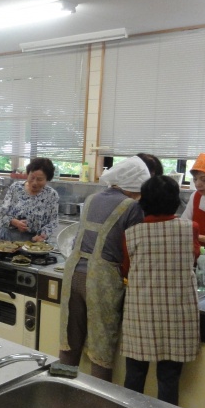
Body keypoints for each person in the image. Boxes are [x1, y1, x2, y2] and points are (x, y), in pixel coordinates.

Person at [58, 156, 149, 381]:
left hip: (73, 274)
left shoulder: (92, 198)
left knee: (69, 341)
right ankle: (97, 399)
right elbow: (133, 248)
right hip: (102, 280)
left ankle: (61, 391)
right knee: (101, 347)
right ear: (134, 185)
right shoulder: (132, 206)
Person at [120, 175, 201, 405]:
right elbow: (194, 258)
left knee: (135, 375)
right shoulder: (190, 229)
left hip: (141, 313)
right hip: (178, 313)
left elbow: (125, 269)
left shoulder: (131, 233)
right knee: (169, 378)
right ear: (175, 201)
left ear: (143, 202)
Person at [0, 157, 59, 242]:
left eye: (39, 179)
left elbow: (53, 222)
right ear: (28, 174)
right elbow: (3, 213)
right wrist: (14, 222)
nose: (34, 182)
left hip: (34, 241)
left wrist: (42, 235)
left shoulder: (51, 195)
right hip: (8, 239)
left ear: (47, 179)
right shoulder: (15, 188)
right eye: (32, 177)